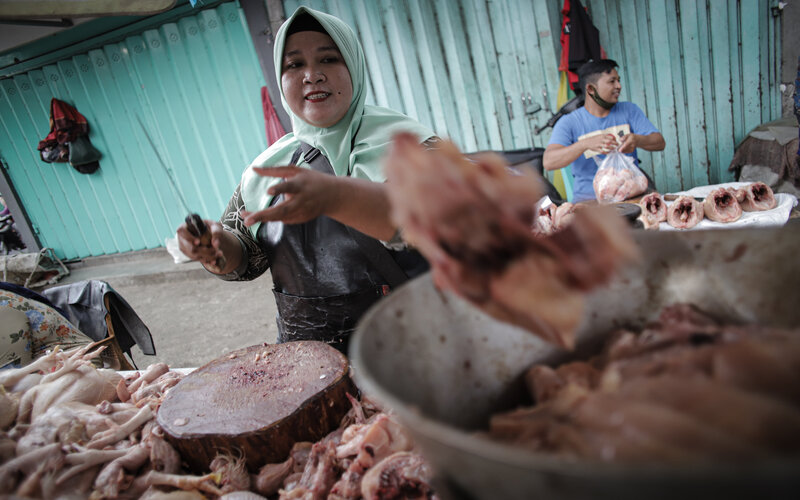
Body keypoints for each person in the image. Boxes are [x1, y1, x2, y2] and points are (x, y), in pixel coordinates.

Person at [177, 7, 435, 354]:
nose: (312, 76)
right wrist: (217, 248)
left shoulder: (413, 146)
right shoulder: (265, 170)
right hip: (309, 366)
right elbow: (245, 260)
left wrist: (341, 197)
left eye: (328, 59)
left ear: (353, 66)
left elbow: (464, 226)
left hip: (417, 355)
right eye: (294, 65)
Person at [542, 59, 665, 202]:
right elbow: (549, 162)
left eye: (618, 80)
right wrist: (584, 144)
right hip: (589, 203)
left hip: (630, 197)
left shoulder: (629, 110)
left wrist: (638, 139)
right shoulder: (569, 122)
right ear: (590, 89)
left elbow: (659, 142)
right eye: (612, 81)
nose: (619, 86)